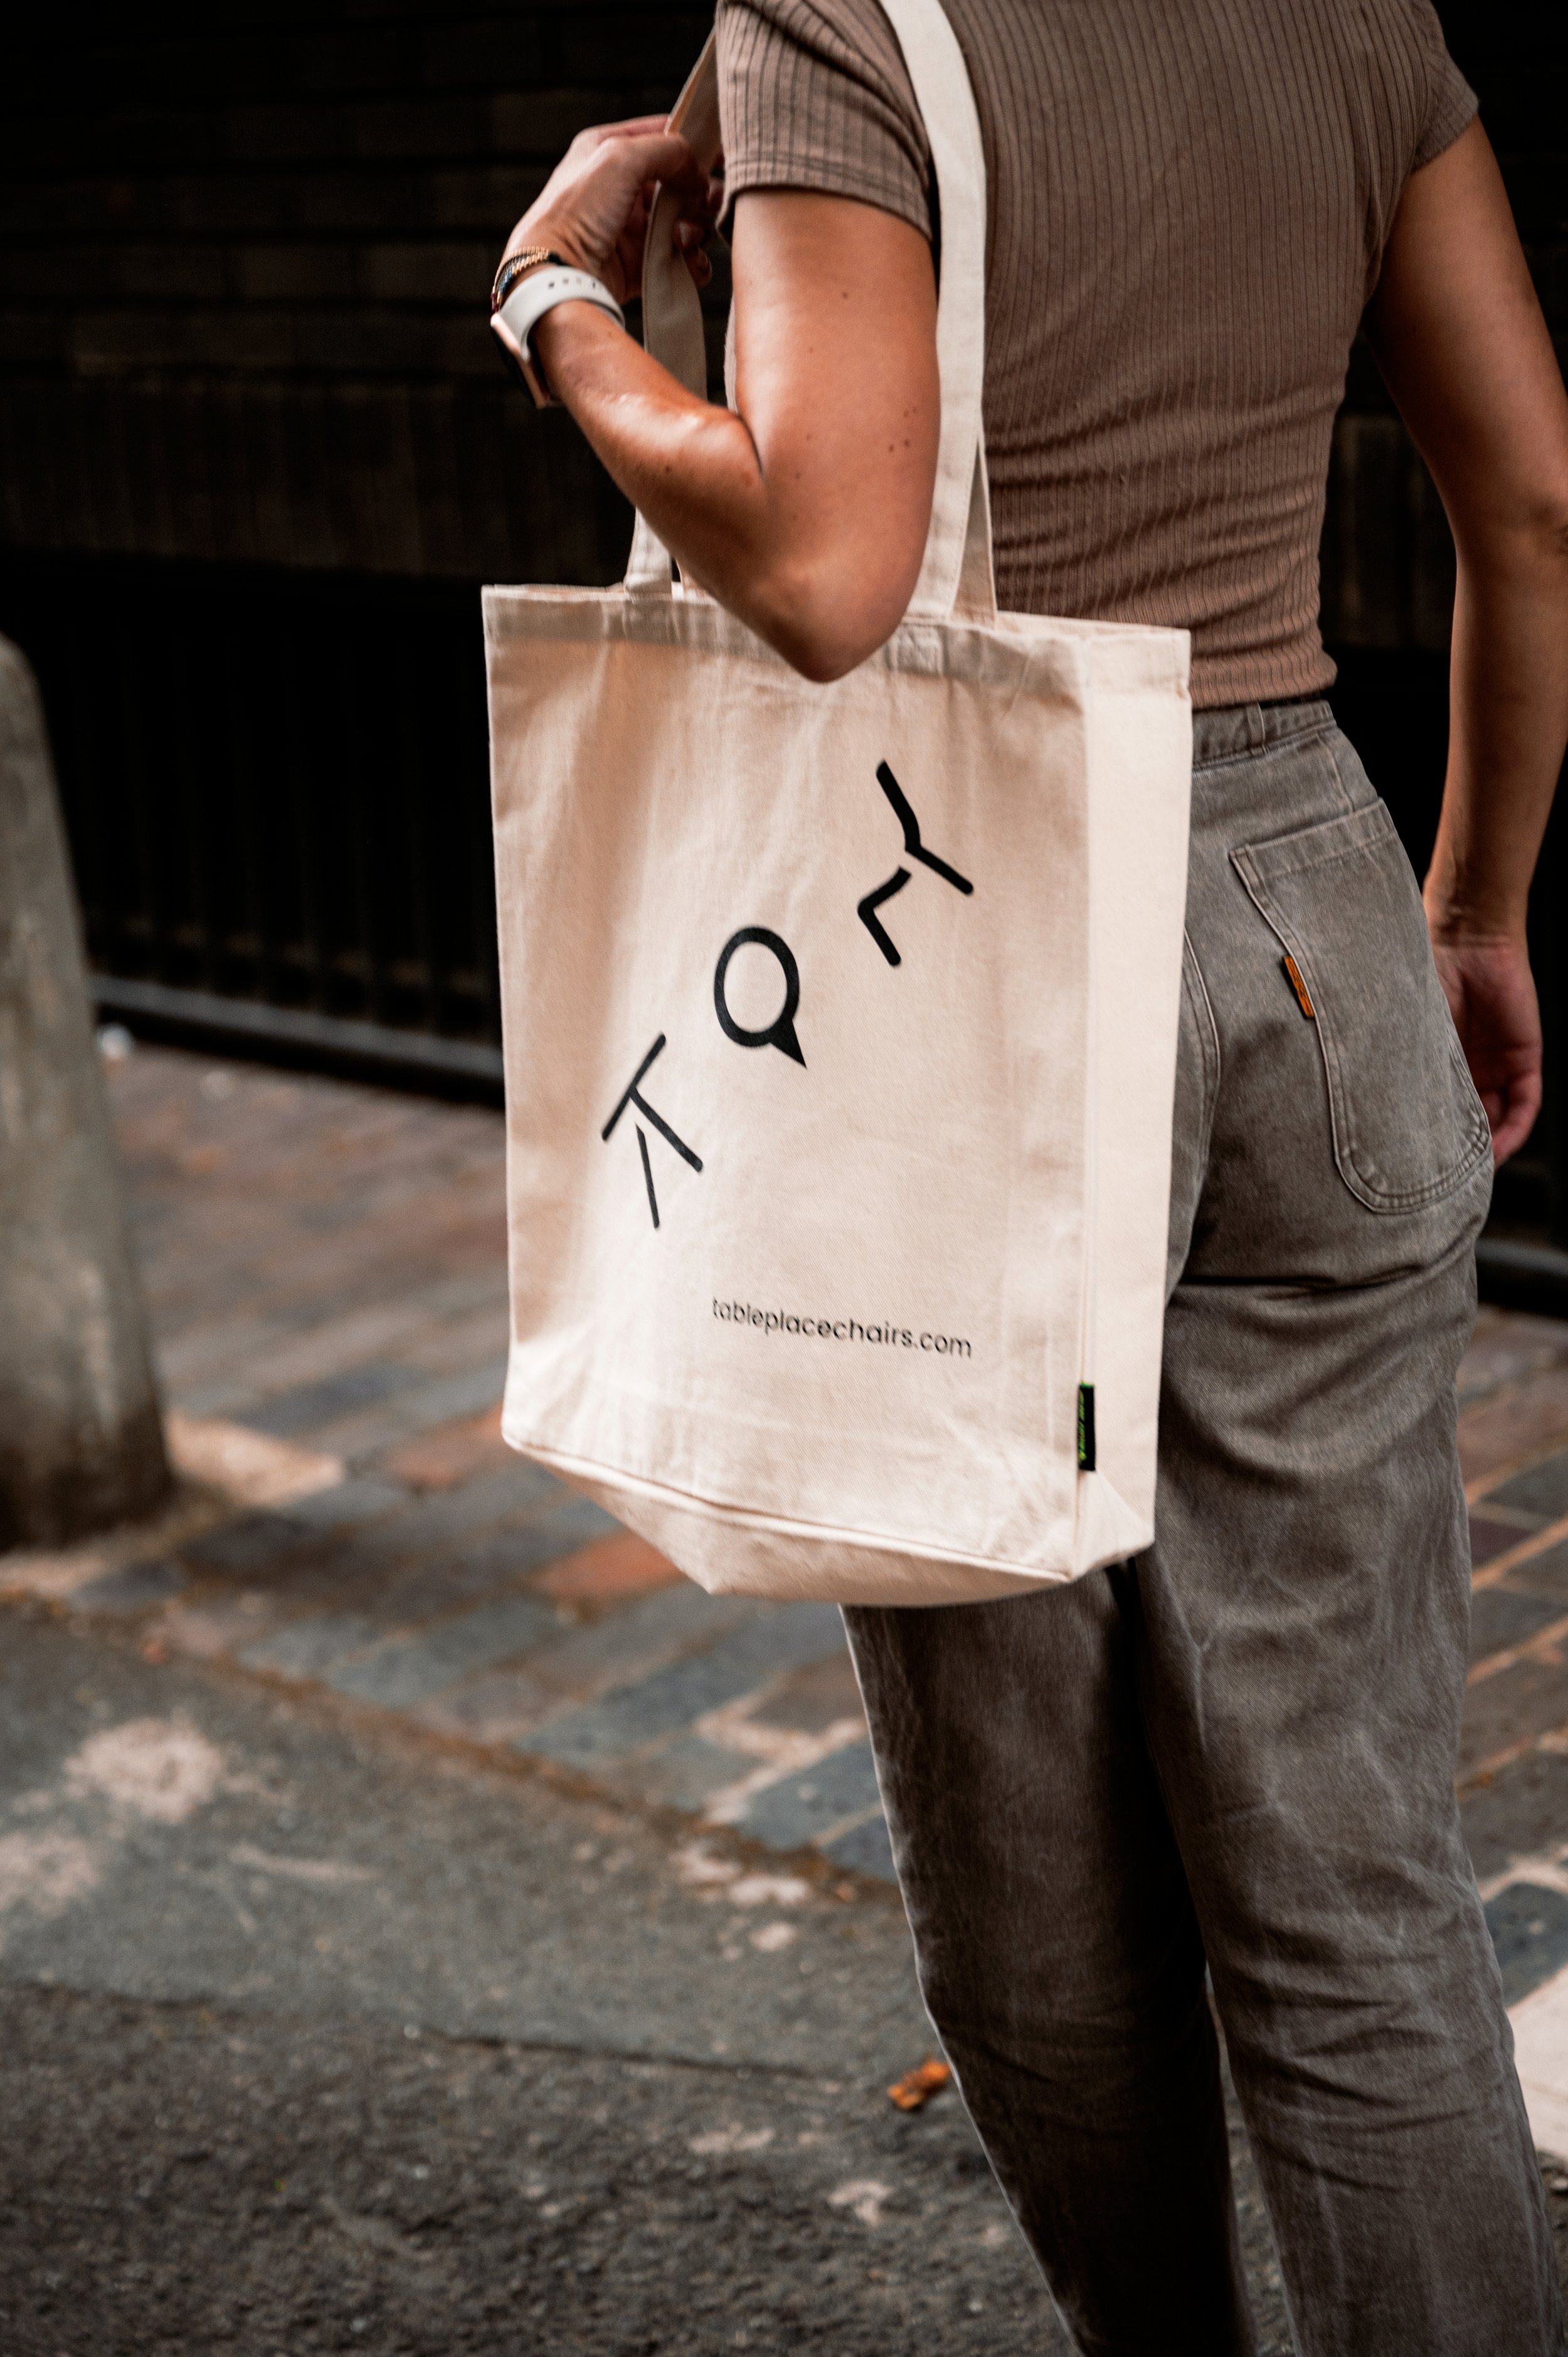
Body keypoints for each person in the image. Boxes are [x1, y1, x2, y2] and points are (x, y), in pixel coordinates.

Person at [495, 2, 1568, 2348]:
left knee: (1038, 1887)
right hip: (1308, 901)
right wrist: (1474, 906)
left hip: (965, 954)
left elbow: (820, 567)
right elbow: (1526, 495)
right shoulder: (1353, 22)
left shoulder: (835, 28)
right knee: (1355, 1880)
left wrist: (558, 303)